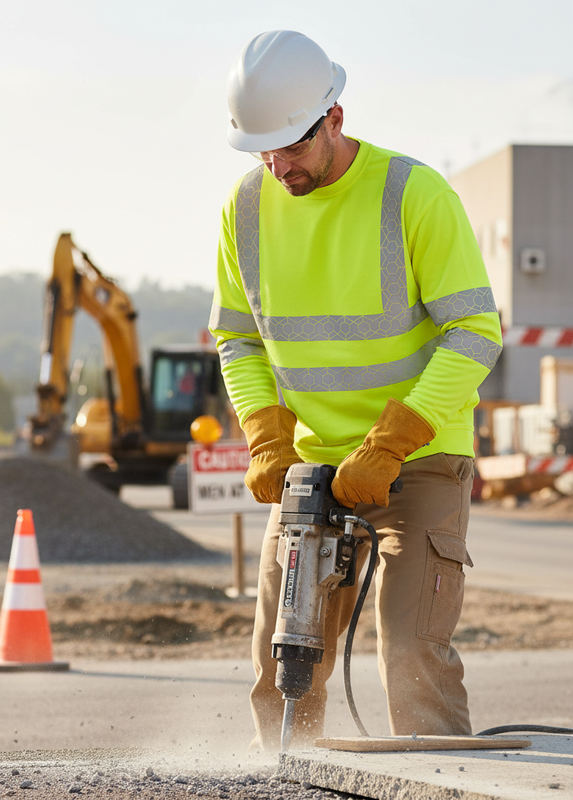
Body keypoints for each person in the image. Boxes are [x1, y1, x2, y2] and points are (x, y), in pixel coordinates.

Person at [208, 30, 503, 750]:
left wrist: (392, 443)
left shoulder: (413, 194)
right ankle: (287, 781)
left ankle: (444, 791)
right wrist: (266, 434)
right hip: (311, 468)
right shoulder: (245, 208)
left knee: (409, 656)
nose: (279, 166)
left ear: (334, 117)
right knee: (284, 660)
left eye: (293, 147)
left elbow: (475, 332)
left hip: (421, 458)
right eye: (263, 150)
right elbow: (238, 338)